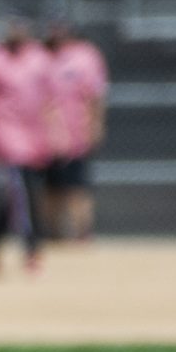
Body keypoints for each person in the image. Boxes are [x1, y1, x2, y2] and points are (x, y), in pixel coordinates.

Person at [0, 18, 55, 276]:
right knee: (23, 194)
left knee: (13, 199)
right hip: (5, 137)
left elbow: (50, 100)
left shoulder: (39, 59)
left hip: (34, 138)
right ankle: (32, 250)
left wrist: (54, 132)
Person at [41, 19, 109, 245]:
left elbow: (95, 96)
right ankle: (55, 235)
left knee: (77, 188)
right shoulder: (40, 57)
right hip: (45, 137)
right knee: (51, 189)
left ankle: (83, 235)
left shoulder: (85, 56)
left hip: (75, 134)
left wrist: (96, 125)